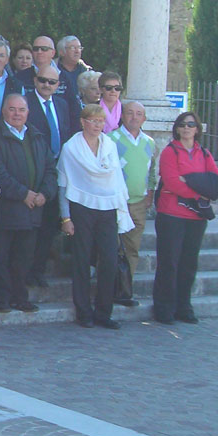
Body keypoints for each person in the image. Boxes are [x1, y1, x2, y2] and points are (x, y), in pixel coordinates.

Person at [58, 104, 133, 330]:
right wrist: (66, 218)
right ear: (83, 122)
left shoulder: (109, 144)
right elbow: (63, 183)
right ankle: (84, 312)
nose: (97, 125)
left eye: (101, 121)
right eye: (92, 121)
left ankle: (104, 312)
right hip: (81, 207)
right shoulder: (71, 147)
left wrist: (121, 208)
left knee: (109, 260)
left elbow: (115, 177)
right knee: (82, 261)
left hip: (108, 207)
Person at [0, 93, 56, 313]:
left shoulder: (36, 135)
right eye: (12, 109)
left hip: (32, 210)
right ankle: (0, 299)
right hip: (6, 208)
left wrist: (45, 194)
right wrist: (23, 194)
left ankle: (19, 297)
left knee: (24, 258)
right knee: (1, 257)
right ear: (4, 111)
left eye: (21, 110)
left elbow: (51, 170)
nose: (17, 114)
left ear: (28, 112)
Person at [152, 111, 218, 325]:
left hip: (195, 217)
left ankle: (184, 306)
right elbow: (172, 182)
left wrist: (190, 180)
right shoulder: (169, 152)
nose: (186, 128)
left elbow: (216, 181)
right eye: (182, 124)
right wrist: (198, 189)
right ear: (177, 128)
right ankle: (164, 308)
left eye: (191, 124)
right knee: (169, 263)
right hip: (171, 215)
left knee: (188, 264)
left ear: (197, 129)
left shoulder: (205, 153)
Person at [26, 63, 81, 287]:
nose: (46, 85)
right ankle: (25, 272)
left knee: (48, 226)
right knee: (30, 228)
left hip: (57, 172)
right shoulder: (25, 104)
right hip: (33, 172)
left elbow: (66, 134)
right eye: (42, 80)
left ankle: (37, 271)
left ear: (58, 85)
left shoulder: (61, 104)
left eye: (52, 82)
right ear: (35, 81)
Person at [110, 100, 156, 308]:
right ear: (122, 115)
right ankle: (108, 290)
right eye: (130, 113)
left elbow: (152, 172)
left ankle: (125, 291)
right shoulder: (111, 139)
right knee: (111, 248)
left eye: (139, 114)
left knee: (132, 249)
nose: (134, 117)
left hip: (138, 203)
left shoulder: (150, 143)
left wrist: (150, 195)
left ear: (144, 119)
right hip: (116, 203)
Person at [56, 35, 90, 100]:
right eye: (72, 48)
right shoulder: (52, 70)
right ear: (61, 52)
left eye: (79, 48)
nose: (77, 51)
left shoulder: (87, 72)